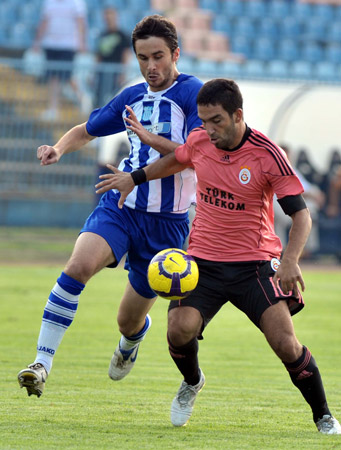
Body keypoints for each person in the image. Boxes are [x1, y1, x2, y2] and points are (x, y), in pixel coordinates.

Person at [95, 79, 341, 435]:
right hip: (203, 262)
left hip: (254, 264)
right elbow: (176, 159)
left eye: (216, 121)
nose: (208, 129)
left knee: (286, 344)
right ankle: (192, 382)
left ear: (238, 115)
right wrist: (135, 177)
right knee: (179, 331)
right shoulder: (200, 141)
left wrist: (290, 261)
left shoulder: (267, 155)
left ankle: (324, 416)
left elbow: (301, 215)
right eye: (204, 120)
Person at [17, 15, 203, 397]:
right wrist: (58, 148)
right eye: (142, 58)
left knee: (127, 321)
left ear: (175, 54)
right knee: (78, 266)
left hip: (166, 224)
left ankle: (131, 343)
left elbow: (193, 156)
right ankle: (41, 362)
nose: (151, 67)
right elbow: (86, 129)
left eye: (158, 57)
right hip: (121, 203)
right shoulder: (131, 95)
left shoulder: (192, 94)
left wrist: (148, 139)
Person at [32, 0, 88, 120]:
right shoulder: (49, 3)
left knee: (67, 76)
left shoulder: (76, 3)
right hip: (51, 44)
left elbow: (80, 22)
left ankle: (83, 99)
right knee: (53, 77)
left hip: (68, 45)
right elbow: (44, 22)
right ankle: (53, 109)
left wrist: (82, 42)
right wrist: (38, 41)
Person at [274, 144, 325, 259]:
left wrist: (316, 195)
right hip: (276, 205)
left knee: (310, 213)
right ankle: (280, 251)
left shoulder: (292, 169)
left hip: (290, 204)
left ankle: (308, 250)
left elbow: (305, 187)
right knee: (279, 217)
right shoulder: (271, 168)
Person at [95, 7, 132, 107]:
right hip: (103, 73)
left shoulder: (123, 36)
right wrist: (94, 72)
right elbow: (98, 55)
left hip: (115, 72)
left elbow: (126, 54)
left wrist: (123, 73)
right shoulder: (102, 35)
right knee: (99, 99)